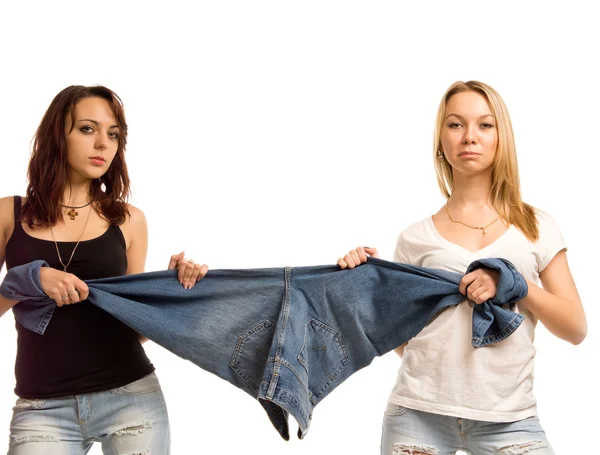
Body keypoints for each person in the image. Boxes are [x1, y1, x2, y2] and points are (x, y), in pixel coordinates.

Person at [337, 80, 587, 455]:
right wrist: (364, 284)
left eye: (485, 125)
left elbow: (575, 328)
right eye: (456, 125)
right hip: (417, 416)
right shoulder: (413, 239)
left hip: (511, 420)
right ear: (441, 139)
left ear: (502, 137)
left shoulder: (537, 227)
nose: (469, 136)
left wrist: (516, 284)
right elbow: (406, 344)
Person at [0, 85, 208, 454]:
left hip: (131, 399)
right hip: (42, 409)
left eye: (113, 134)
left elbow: (130, 330)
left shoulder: (129, 221)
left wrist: (170, 293)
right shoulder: (8, 214)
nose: (103, 144)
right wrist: (31, 279)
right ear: (56, 135)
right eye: (87, 129)